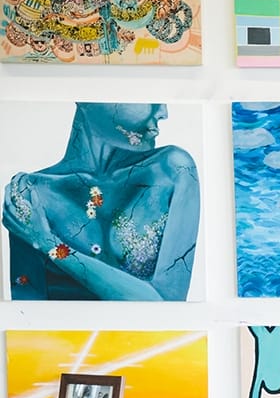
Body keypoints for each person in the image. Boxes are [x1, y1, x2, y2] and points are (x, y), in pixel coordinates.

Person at [2, 102, 200, 300]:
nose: (162, 112)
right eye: (145, 95)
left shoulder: (171, 170)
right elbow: (27, 313)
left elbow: (167, 307)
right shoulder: (31, 192)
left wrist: (48, 244)